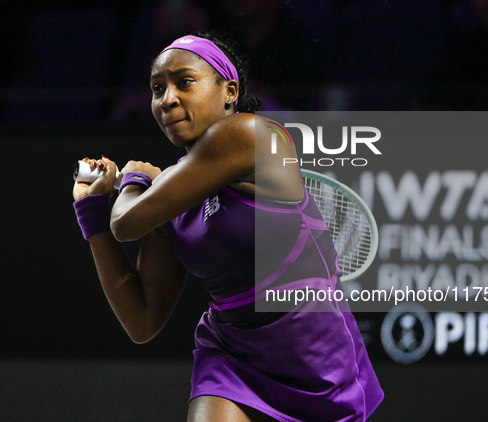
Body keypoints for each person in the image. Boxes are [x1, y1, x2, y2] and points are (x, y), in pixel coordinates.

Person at [72, 31, 383, 421]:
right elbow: (142, 319)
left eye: (184, 82)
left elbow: (126, 222)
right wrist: (90, 213)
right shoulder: (168, 195)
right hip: (230, 354)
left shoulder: (248, 134)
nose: (167, 100)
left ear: (228, 91)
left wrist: (134, 179)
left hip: (319, 363)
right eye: (156, 89)